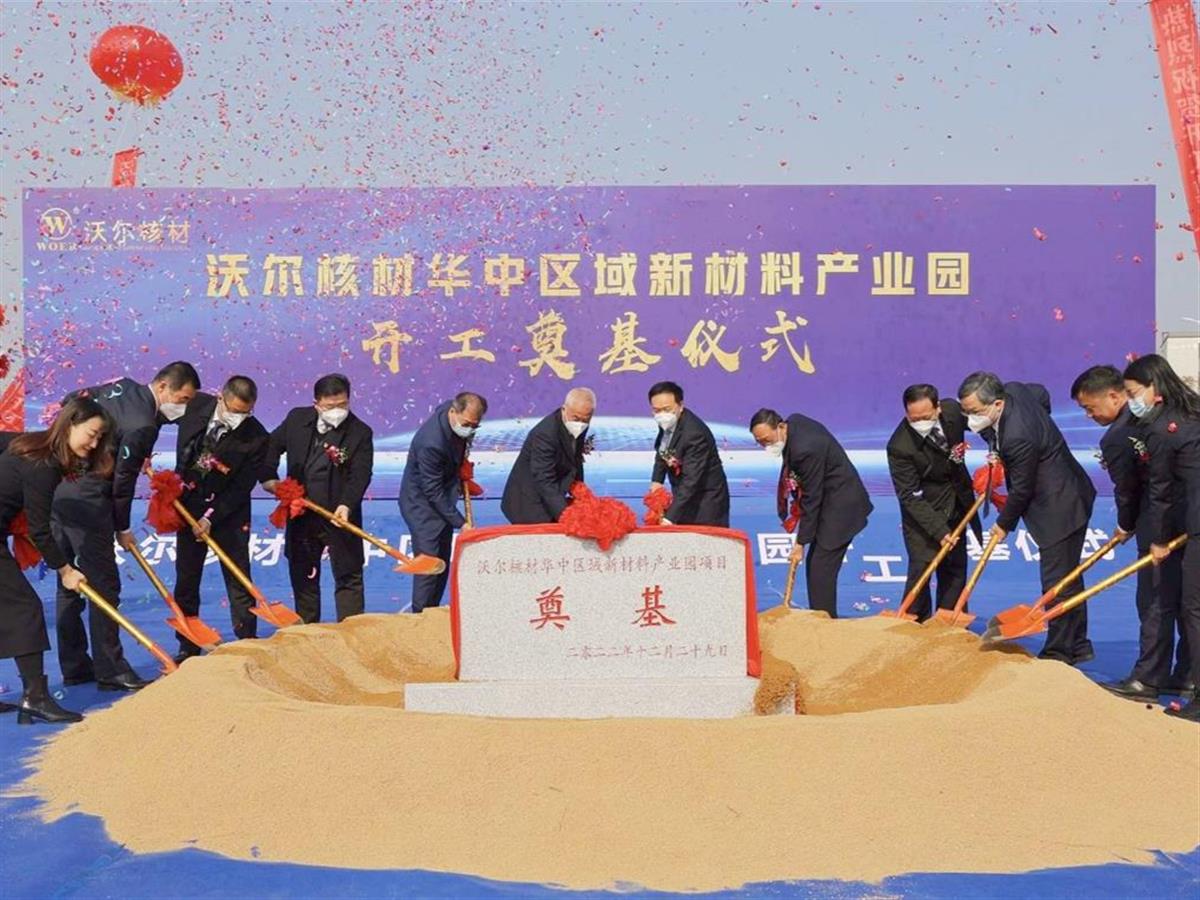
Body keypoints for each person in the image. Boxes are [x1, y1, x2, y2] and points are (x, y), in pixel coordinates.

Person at [55, 361, 200, 690]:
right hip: (90, 502)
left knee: (70, 581)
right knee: (104, 586)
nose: (183, 407)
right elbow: (123, 482)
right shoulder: (143, 424)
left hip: (59, 490)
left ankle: (75, 666)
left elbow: (71, 399)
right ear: (162, 387)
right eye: (183, 399)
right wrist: (122, 527)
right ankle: (111, 670)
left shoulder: (122, 385)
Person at [958, 371, 1096, 665]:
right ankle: (1079, 644)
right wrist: (1002, 444)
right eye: (966, 412)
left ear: (997, 404)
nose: (970, 419)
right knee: (1068, 575)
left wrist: (1003, 525)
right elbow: (1041, 393)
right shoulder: (1015, 390)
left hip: (1059, 504)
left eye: (975, 412)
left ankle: (1059, 651)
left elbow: (1022, 490)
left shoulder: (1018, 437)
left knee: (1057, 581)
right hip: (1068, 489)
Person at [1072, 365, 1189, 701]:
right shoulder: (1163, 418)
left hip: (1159, 523)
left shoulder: (1118, 437)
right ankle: (1186, 675)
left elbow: (1128, 490)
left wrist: (1126, 524)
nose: (1089, 415)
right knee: (1186, 601)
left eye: (1090, 407)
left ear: (1114, 396)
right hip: (1187, 518)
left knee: (1155, 602)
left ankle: (1147, 680)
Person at [1, 398, 113, 724]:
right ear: (70, 423)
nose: (94, 444)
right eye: (91, 434)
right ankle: (35, 697)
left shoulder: (29, 443)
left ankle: (34, 696)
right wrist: (65, 570)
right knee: (25, 608)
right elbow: (40, 530)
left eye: (99, 439)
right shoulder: (44, 465)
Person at [1123, 354, 1200, 722]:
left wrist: (1158, 540)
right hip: (1191, 519)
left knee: (1193, 608)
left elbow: (1162, 491)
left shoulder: (1161, 427)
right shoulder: (1193, 411)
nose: (1131, 401)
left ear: (1154, 388)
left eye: (1132, 392)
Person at [172, 376, 270, 660]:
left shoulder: (257, 436)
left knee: (238, 576)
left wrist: (210, 517)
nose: (239, 418)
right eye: (235, 410)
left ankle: (246, 640)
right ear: (221, 398)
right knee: (187, 578)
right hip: (188, 506)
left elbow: (241, 487)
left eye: (246, 412)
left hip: (229, 512)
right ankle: (188, 644)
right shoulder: (194, 405)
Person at [263, 374, 374, 624]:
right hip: (301, 512)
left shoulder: (359, 432)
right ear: (317, 404)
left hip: (339, 515)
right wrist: (270, 479)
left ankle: (353, 632)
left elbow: (360, 475)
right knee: (304, 575)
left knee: (348, 575)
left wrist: (346, 505)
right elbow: (270, 447)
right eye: (330, 406)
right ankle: (308, 631)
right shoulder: (297, 419)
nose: (337, 411)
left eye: (342, 404)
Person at [749, 407, 873, 617]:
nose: (765, 446)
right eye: (760, 442)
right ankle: (822, 617)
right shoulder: (794, 424)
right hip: (828, 501)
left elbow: (812, 498)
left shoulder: (805, 449)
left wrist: (800, 543)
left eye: (767, 440)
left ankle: (824, 622)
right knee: (817, 565)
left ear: (780, 426)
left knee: (820, 568)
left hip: (842, 507)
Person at [885, 384, 981, 621]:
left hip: (957, 502)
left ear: (938, 408)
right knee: (922, 567)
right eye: (914, 419)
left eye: (926, 417)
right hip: (923, 512)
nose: (920, 423)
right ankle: (914, 622)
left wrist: (997, 453)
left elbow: (983, 423)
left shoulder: (952, 412)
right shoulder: (900, 446)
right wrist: (939, 530)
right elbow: (909, 495)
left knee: (955, 568)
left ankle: (948, 623)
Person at [400, 392, 487, 612]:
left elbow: (462, 441)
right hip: (422, 504)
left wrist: (461, 468)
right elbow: (433, 490)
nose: (469, 429)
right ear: (453, 412)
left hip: (444, 495)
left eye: (474, 426)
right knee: (429, 564)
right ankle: (420, 615)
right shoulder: (432, 443)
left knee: (442, 559)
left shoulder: (454, 415)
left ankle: (432, 610)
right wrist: (461, 523)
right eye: (466, 424)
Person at [501, 388, 594, 524]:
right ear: (564, 409)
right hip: (529, 503)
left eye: (585, 420)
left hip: (553, 496)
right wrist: (566, 515)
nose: (580, 424)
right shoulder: (546, 434)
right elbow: (544, 478)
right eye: (576, 418)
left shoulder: (579, 425)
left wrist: (581, 495)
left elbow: (575, 459)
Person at [647, 381, 730, 527]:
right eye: (656, 410)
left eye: (666, 409)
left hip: (705, 501)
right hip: (683, 497)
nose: (662, 415)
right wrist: (657, 482)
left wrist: (669, 518)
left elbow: (691, 480)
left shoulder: (694, 434)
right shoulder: (668, 423)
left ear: (680, 405)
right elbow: (663, 449)